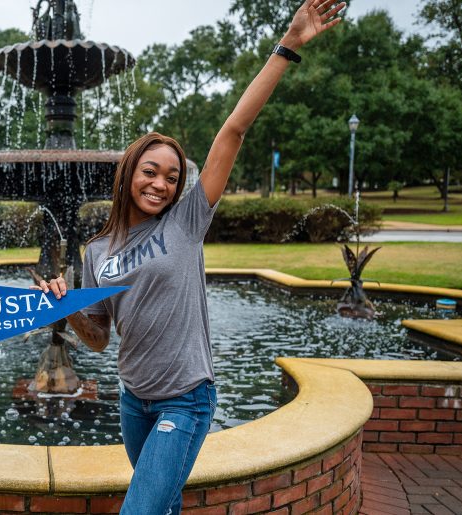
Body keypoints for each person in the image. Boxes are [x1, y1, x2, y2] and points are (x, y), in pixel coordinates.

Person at [35, 1, 345, 513]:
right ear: (129, 173)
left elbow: (233, 131)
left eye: (172, 176)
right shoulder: (95, 251)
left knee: (142, 508)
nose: (161, 183)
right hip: (134, 402)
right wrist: (64, 309)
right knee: (165, 505)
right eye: (151, 171)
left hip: (186, 397)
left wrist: (286, 46)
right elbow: (98, 338)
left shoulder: (187, 220)